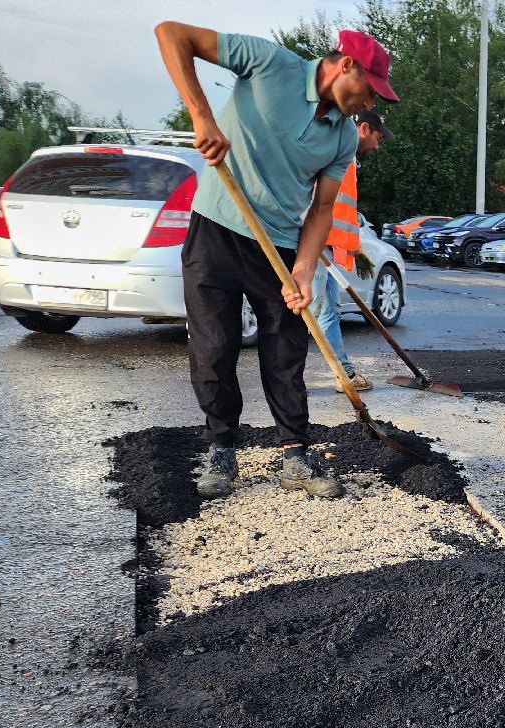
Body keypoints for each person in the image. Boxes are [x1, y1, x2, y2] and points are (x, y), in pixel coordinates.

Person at [155, 22, 398, 500]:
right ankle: (221, 449)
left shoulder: (343, 139)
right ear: (346, 65)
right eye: (369, 92)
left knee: (286, 354)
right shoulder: (271, 63)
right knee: (214, 348)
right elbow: (170, 34)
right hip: (217, 229)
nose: (369, 105)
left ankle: (293, 455)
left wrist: (304, 269)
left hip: (281, 246)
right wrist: (203, 118)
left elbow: (322, 209)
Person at [312, 107, 392, 395]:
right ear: (365, 129)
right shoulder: (336, 151)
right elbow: (317, 198)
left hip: (327, 244)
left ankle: (343, 373)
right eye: (378, 137)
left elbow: (340, 209)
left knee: (326, 309)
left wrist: (354, 248)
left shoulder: (348, 158)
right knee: (316, 309)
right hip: (316, 242)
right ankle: (293, 378)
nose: (378, 145)